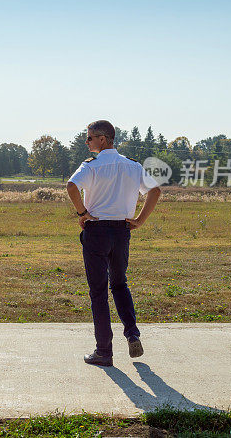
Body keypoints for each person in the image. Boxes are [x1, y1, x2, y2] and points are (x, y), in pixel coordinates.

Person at [66, 120, 161, 367]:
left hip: (96, 232)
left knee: (98, 292)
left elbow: (71, 186)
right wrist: (139, 220)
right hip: (122, 231)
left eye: (89, 138)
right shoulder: (132, 166)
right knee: (119, 284)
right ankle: (132, 334)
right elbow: (155, 191)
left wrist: (81, 213)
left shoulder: (92, 166)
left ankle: (104, 352)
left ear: (103, 139)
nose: (86, 142)